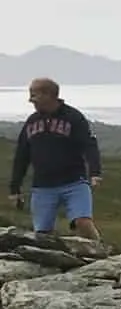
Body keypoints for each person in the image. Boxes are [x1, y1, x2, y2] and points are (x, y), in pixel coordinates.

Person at [9, 78, 104, 242]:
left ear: (48, 95)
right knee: (42, 235)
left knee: (83, 222)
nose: (30, 99)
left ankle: (101, 253)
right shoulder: (32, 122)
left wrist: (95, 172)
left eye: (34, 95)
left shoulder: (73, 117)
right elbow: (22, 156)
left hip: (75, 182)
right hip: (42, 187)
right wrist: (15, 189)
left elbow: (89, 144)